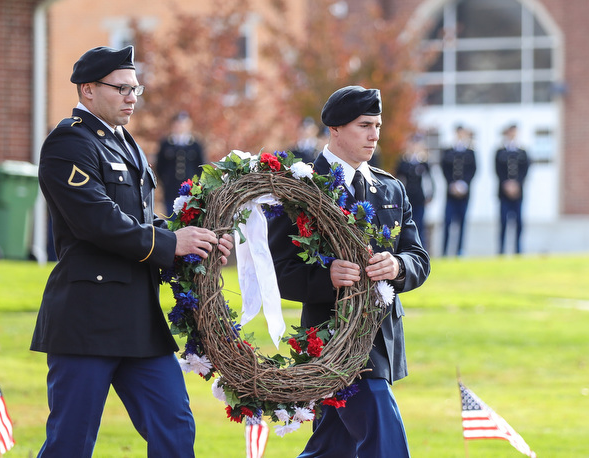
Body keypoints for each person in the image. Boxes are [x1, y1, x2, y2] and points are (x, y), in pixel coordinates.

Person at [30, 45, 232, 458]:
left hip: (138, 321)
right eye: (121, 88)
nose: (131, 98)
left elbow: (141, 221)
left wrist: (196, 242)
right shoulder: (69, 143)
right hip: (87, 319)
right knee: (71, 441)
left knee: (175, 428)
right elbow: (97, 221)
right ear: (87, 90)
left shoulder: (127, 144)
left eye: (135, 89)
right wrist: (173, 243)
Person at [268, 86, 430, 457]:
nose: (374, 134)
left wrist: (398, 265)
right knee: (382, 436)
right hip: (332, 339)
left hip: (383, 336)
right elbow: (279, 271)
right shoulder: (301, 188)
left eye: (377, 125)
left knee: (332, 447)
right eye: (364, 125)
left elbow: (419, 258)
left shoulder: (391, 188)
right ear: (336, 129)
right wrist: (326, 277)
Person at [155, 111, 205, 216]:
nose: (180, 126)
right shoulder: (166, 144)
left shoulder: (195, 145)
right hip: (171, 189)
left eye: (184, 123)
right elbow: (160, 166)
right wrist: (165, 181)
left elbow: (201, 166)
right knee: (171, 216)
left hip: (190, 189)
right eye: (178, 123)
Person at [440, 125, 477, 257]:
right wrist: (452, 184)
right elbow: (444, 168)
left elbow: (473, 170)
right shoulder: (448, 151)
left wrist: (463, 185)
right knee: (448, 221)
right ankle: (445, 250)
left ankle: (460, 250)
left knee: (462, 222)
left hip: (464, 193)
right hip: (451, 192)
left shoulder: (470, 152)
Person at [495, 124, 530, 254]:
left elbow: (525, 170)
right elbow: (498, 170)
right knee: (503, 222)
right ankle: (501, 250)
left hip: (518, 193)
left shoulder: (522, 152)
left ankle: (518, 250)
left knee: (519, 222)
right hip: (504, 193)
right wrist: (507, 185)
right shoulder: (500, 151)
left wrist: (516, 185)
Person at [395, 133, 435, 247]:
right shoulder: (403, 161)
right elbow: (398, 180)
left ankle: (421, 249)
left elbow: (429, 180)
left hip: (420, 198)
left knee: (420, 225)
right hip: (408, 198)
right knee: (407, 225)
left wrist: (430, 195)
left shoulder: (424, 162)